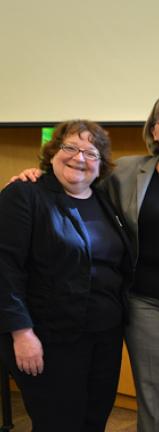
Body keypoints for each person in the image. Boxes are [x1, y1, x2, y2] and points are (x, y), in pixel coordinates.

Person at [10, 93, 159, 431]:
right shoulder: (129, 171)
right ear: (153, 131)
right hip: (147, 301)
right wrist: (38, 174)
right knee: (156, 395)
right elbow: (76, 181)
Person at [0, 120, 133, 431]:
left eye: (90, 152)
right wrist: (21, 333)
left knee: (94, 419)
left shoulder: (104, 201)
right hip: (49, 338)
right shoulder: (25, 194)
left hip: (104, 336)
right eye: (70, 147)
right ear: (52, 153)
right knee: (58, 423)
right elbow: (4, 268)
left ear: (101, 164)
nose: (79, 157)